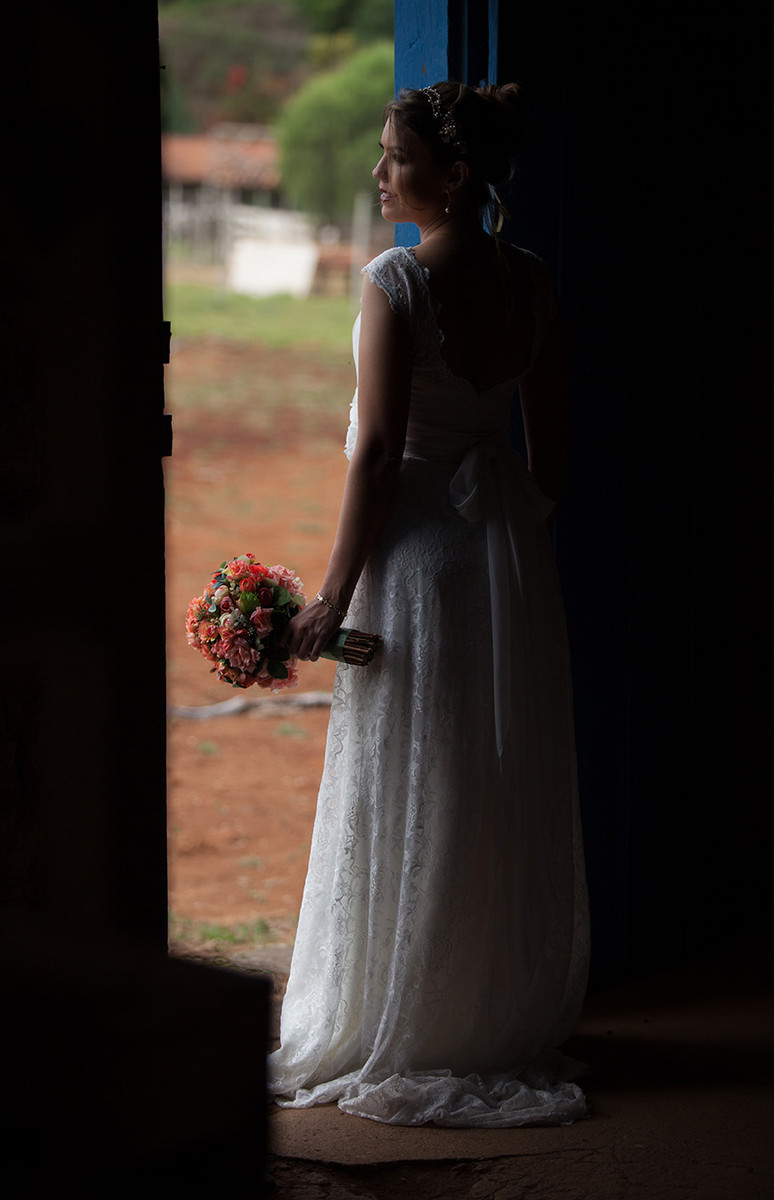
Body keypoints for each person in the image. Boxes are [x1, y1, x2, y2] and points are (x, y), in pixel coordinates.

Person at [269, 80, 590, 1127]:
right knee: (481, 781)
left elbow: (374, 455)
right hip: (497, 564)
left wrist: (330, 599)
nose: (378, 172)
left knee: (407, 776)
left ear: (450, 177)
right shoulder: (531, 281)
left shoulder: (396, 281)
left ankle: (398, 1014)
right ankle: (478, 1011)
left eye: (394, 157)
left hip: (410, 564)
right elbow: (550, 452)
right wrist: (505, 535)